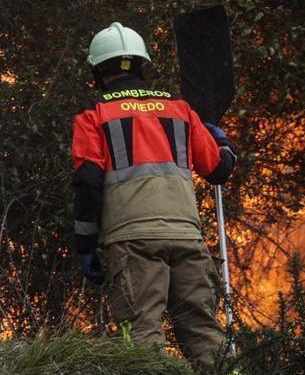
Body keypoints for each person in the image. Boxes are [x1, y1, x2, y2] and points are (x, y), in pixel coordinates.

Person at [71, 21, 238, 371]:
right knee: (204, 331)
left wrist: (86, 245)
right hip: (187, 237)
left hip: (132, 242)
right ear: (142, 63)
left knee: (142, 337)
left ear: (97, 69)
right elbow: (219, 169)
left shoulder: (94, 114)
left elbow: (88, 181)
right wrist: (222, 141)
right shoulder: (179, 109)